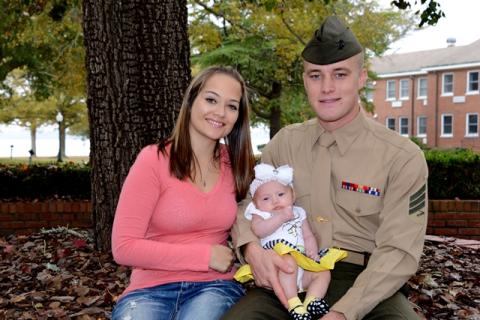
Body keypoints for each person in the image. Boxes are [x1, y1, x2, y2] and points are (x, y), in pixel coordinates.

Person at [223, 15, 428, 320]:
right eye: (315, 75)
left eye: (340, 74)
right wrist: (252, 249)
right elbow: (246, 208)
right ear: (305, 80)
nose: (327, 87)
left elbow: (399, 252)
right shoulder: (284, 144)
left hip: (366, 282)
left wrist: (344, 313)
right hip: (288, 274)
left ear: (361, 78)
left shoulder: (401, 157)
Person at [111, 66, 255, 320]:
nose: (220, 112)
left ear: (238, 117)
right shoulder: (153, 160)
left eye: (232, 106)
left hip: (214, 287)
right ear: (191, 101)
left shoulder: (237, 166)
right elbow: (123, 247)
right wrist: (204, 256)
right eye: (211, 99)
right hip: (149, 290)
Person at [245, 163, 331, 320]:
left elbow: (307, 235)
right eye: (266, 198)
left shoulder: (298, 212)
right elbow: (258, 230)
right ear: (256, 204)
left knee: (323, 272)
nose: (275, 201)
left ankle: (312, 301)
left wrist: (312, 250)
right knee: (288, 261)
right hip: (278, 267)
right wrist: (280, 217)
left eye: (280, 195)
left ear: (292, 195)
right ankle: (293, 303)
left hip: (301, 266)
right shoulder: (261, 215)